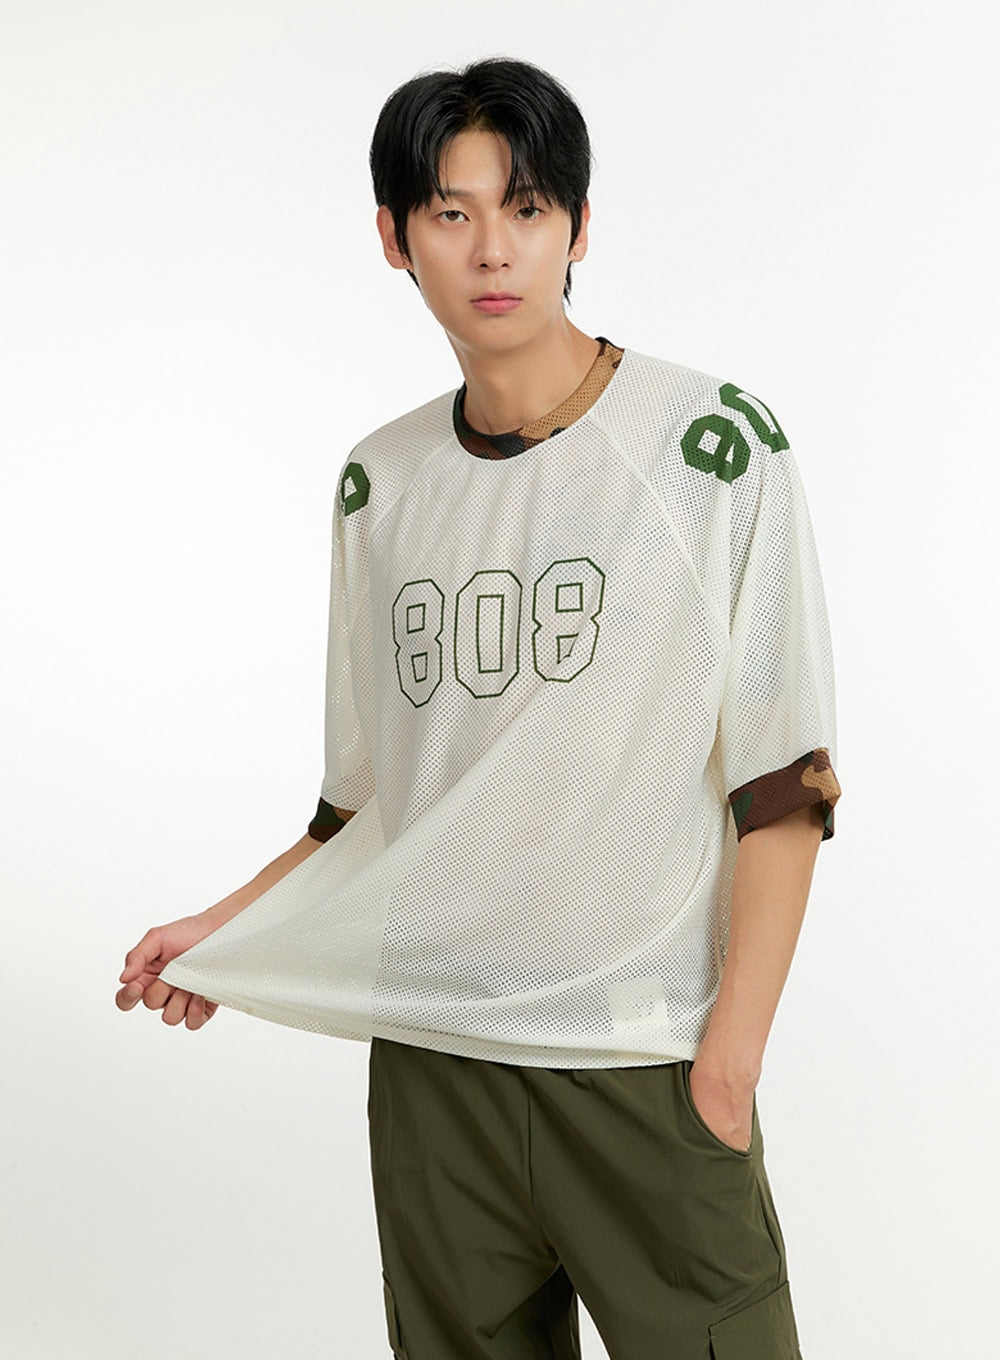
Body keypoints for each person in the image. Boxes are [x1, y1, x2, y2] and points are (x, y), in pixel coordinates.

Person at [117, 56, 841, 1359]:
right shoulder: (378, 484)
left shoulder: (710, 448)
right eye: (451, 213)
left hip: (639, 1065)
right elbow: (366, 808)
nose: (493, 249)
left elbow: (782, 781)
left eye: (527, 207)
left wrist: (728, 1062)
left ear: (579, 226)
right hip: (432, 1062)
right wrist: (221, 929)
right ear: (395, 238)